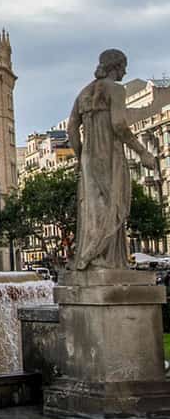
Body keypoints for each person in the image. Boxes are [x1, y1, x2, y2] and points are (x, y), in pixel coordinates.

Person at [67, 49, 158, 271]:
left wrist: (81, 156)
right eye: (123, 66)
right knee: (113, 203)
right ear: (115, 66)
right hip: (109, 153)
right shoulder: (115, 89)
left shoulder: (83, 93)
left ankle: (94, 258)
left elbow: (71, 130)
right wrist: (142, 152)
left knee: (94, 207)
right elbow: (119, 125)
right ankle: (108, 261)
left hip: (89, 156)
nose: (125, 71)